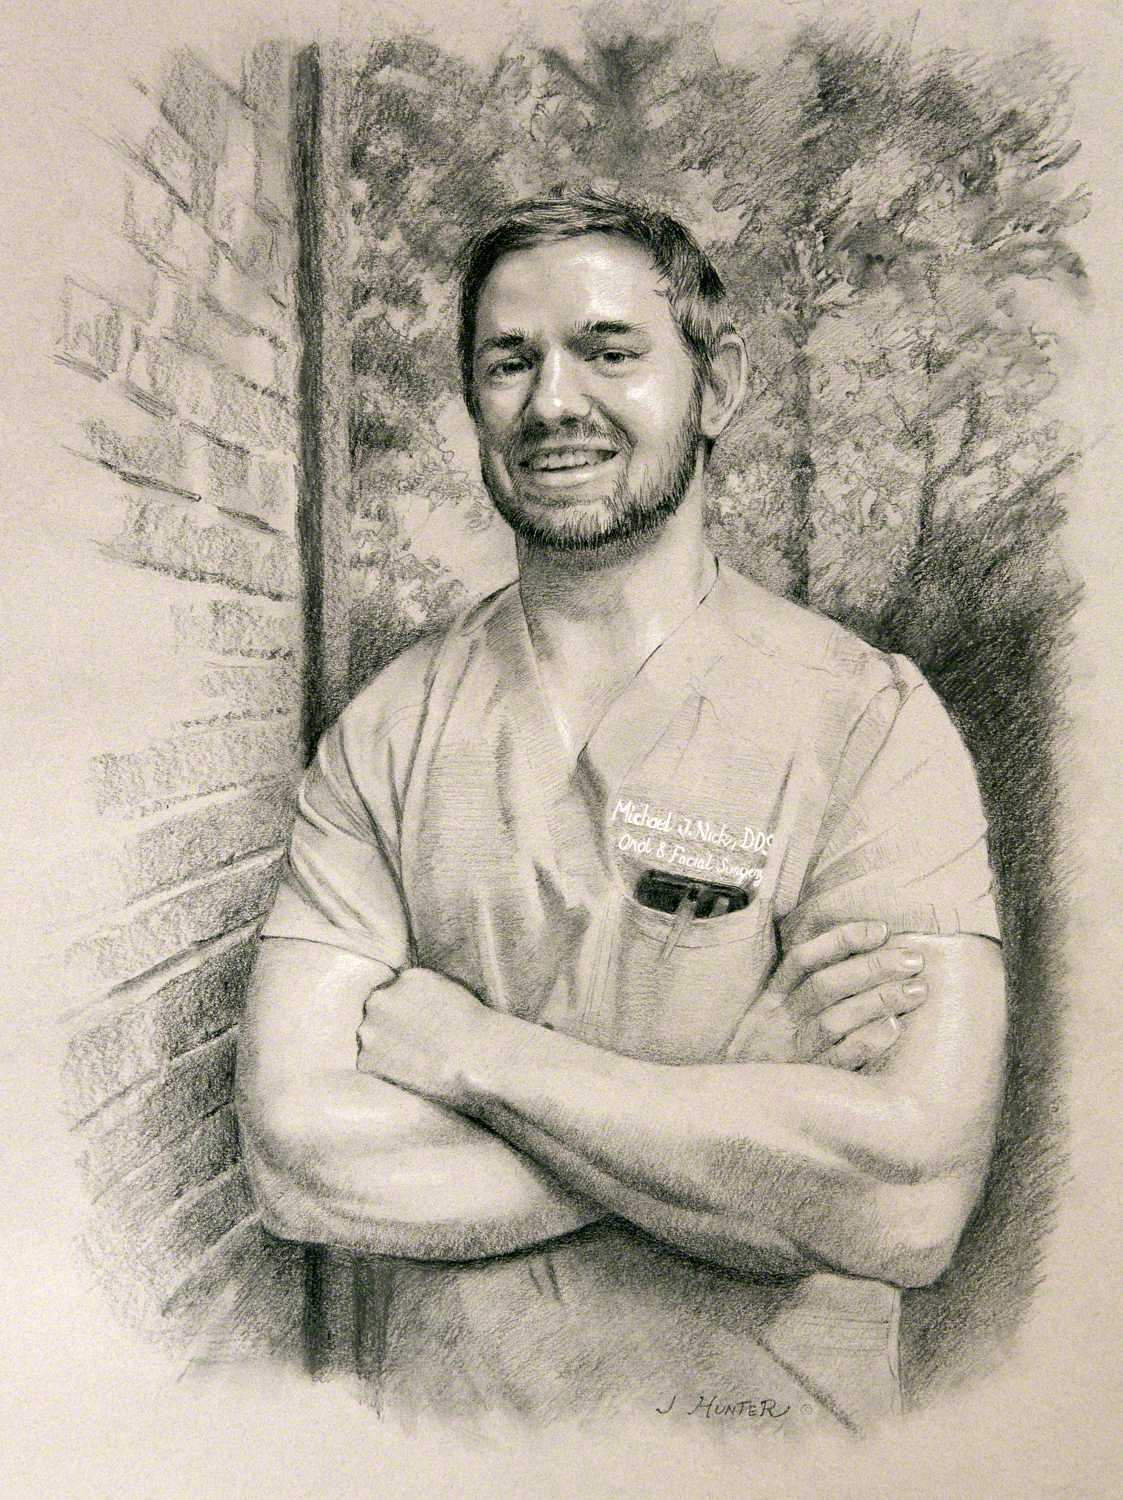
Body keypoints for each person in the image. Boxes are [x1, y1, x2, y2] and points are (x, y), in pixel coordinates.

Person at [235, 195, 1006, 1434]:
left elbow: (907, 1197)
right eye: (510, 362)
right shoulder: (388, 732)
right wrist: (735, 1106)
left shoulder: (867, 724)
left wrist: (481, 1058)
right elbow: (297, 1161)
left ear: (717, 383)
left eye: (607, 351)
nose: (553, 403)